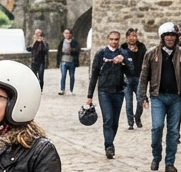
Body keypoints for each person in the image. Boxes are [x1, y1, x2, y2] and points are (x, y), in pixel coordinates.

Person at [138, 21, 181, 172]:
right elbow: (144, 77)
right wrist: (142, 96)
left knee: (173, 131)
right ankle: (156, 156)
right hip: (158, 96)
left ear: (177, 37)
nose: (170, 39)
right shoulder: (151, 54)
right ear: (162, 37)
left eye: (173, 36)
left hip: (176, 97)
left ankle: (170, 161)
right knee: (157, 127)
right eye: (167, 36)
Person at [85, 30, 132, 159]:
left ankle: (110, 141)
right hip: (104, 91)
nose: (114, 42)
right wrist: (90, 96)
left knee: (115, 122)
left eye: (116, 39)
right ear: (107, 40)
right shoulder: (101, 54)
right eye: (111, 39)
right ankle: (109, 146)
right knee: (108, 119)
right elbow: (94, 74)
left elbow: (131, 70)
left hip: (118, 91)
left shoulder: (123, 53)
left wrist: (123, 62)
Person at [123, 28, 147, 130]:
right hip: (127, 77)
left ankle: (137, 117)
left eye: (134, 36)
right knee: (129, 101)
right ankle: (130, 122)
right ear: (127, 37)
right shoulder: (123, 48)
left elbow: (146, 61)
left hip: (139, 77)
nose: (133, 38)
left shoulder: (141, 47)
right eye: (130, 36)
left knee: (140, 100)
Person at [55, 28, 80, 95]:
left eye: (68, 33)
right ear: (63, 34)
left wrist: (72, 50)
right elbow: (58, 52)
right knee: (63, 75)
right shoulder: (62, 42)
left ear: (71, 34)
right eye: (65, 33)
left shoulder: (74, 42)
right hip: (63, 61)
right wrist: (58, 62)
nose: (67, 34)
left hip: (72, 61)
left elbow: (78, 50)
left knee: (72, 76)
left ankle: (71, 90)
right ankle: (62, 89)